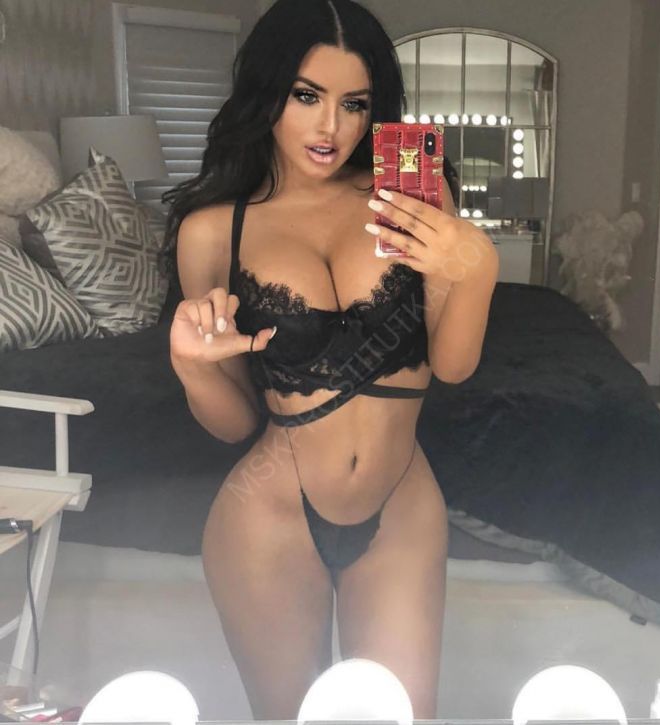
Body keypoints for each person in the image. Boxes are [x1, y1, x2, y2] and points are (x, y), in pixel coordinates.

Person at [162, 0, 498, 718]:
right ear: (268, 93)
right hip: (268, 516)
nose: (331, 128)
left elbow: (454, 365)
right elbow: (234, 424)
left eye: (355, 104)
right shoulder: (213, 230)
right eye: (306, 96)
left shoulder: (410, 195)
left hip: (402, 505)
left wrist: (476, 267)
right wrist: (192, 365)